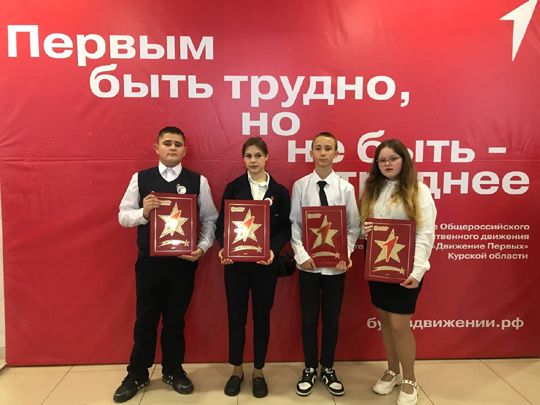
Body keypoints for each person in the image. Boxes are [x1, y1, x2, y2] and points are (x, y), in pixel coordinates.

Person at [113, 126, 218, 403]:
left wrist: (202, 247)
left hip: (182, 264)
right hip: (149, 263)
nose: (172, 147)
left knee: (175, 320)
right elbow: (123, 216)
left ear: (185, 150)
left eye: (177, 144)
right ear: (156, 148)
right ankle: (137, 373)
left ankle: (173, 369)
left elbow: (210, 219)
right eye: (167, 143)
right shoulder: (140, 179)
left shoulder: (198, 181)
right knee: (145, 318)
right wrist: (144, 212)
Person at [360, 138, 436, 405]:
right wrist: (365, 229)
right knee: (385, 320)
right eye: (382, 160)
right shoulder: (373, 189)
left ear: (404, 160)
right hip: (378, 266)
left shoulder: (419, 190)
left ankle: (410, 379)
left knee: (399, 325)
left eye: (393, 158)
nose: (387, 164)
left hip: (406, 269)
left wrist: (417, 270)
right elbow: (365, 227)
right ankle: (392, 370)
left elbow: (425, 233)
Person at [215, 137, 291, 398]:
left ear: (266, 157)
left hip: (265, 265)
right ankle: (237, 370)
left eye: (258, 155)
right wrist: (224, 247)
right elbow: (221, 225)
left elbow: (285, 229)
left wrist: (272, 250)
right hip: (235, 265)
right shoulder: (233, 188)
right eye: (249, 156)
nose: (253, 160)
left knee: (261, 318)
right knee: (236, 318)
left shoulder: (280, 191)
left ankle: (258, 371)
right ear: (243, 159)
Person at [289, 132, 360, 397]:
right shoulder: (300, 186)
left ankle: (327, 367)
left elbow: (353, 227)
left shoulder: (346, 189)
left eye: (327, 148)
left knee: (331, 320)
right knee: (308, 320)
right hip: (308, 266)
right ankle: (309, 367)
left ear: (336, 154)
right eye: (317, 148)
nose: (322, 153)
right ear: (311, 153)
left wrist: (345, 253)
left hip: (336, 268)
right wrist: (301, 255)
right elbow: (295, 224)